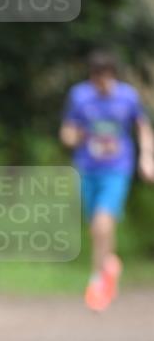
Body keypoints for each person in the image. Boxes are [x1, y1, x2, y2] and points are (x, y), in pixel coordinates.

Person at [60, 51, 153, 311]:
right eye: (95, 79)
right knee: (96, 227)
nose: (99, 85)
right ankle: (110, 265)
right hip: (88, 168)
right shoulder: (79, 96)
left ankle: (98, 281)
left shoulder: (128, 97)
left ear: (112, 76)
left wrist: (147, 158)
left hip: (117, 168)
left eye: (104, 79)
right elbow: (67, 132)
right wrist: (74, 137)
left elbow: (143, 128)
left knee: (103, 222)